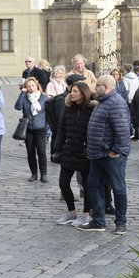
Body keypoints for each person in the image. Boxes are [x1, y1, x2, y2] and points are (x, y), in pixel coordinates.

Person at [79, 75, 130, 234]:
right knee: (94, 185)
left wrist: (116, 150)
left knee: (118, 188)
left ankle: (120, 222)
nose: (95, 87)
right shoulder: (103, 102)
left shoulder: (115, 103)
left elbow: (122, 130)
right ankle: (99, 221)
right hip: (98, 154)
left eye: (98, 84)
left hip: (111, 155)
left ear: (106, 87)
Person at [53, 81, 96, 226]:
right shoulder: (68, 109)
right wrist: (57, 149)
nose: (72, 93)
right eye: (71, 91)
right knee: (63, 183)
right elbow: (61, 129)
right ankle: (71, 212)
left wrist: (89, 148)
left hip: (84, 153)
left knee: (87, 185)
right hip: (69, 150)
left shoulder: (91, 110)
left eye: (75, 91)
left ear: (83, 94)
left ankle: (86, 214)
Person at [14, 76, 50, 182]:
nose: (31, 88)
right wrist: (22, 93)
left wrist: (47, 127)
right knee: (30, 152)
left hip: (40, 129)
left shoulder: (44, 98)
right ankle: (34, 174)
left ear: (37, 86)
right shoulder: (25, 98)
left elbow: (48, 114)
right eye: (28, 86)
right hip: (28, 129)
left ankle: (44, 174)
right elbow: (18, 107)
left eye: (32, 86)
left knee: (42, 152)